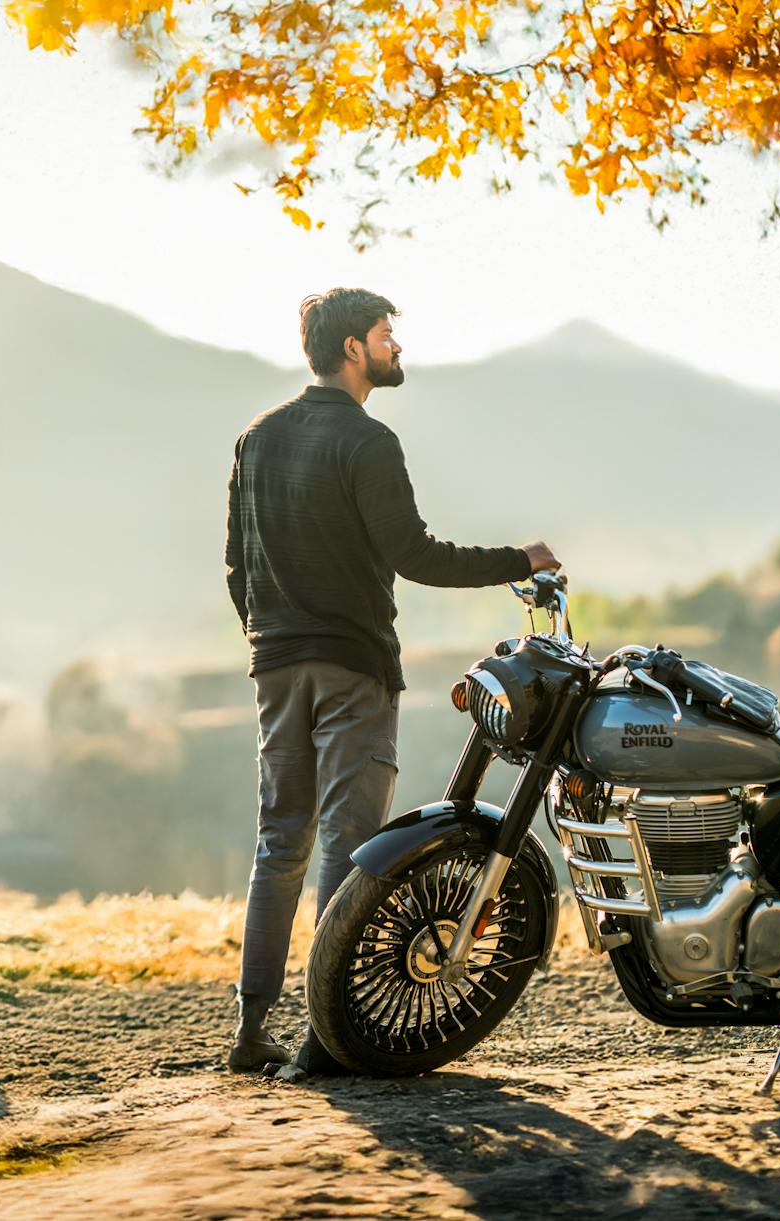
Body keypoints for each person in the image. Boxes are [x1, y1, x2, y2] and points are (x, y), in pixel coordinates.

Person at [223, 288, 559, 1077]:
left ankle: (251, 1027)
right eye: (385, 335)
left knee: (279, 840)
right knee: (351, 846)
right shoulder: (368, 441)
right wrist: (521, 560)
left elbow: (238, 565)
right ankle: (326, 1038)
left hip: (277, 666)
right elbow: (415, 554)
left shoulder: (255, 438)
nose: (396, 347)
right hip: (353, 668)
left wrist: (268, 641)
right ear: (352, 349)